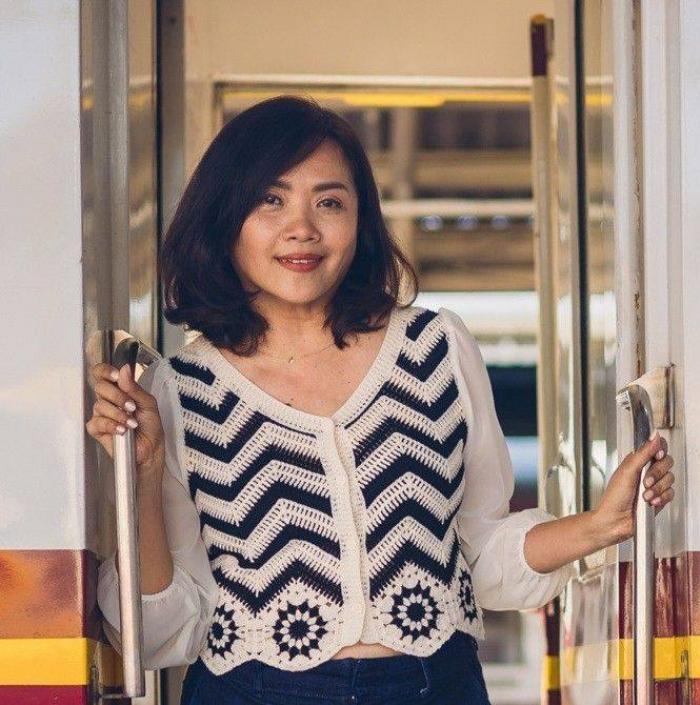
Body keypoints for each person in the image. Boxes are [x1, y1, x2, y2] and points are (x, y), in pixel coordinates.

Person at [87, 96, 675, 705]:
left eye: (330, 202)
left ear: (360, 221)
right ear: (225, 218)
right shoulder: (182, 389)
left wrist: (600, 526)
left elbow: (485, 550)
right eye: (270, 200)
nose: (302, 227)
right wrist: (144, 476)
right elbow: (157, 630)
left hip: (436, 686)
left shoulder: (435, 349)